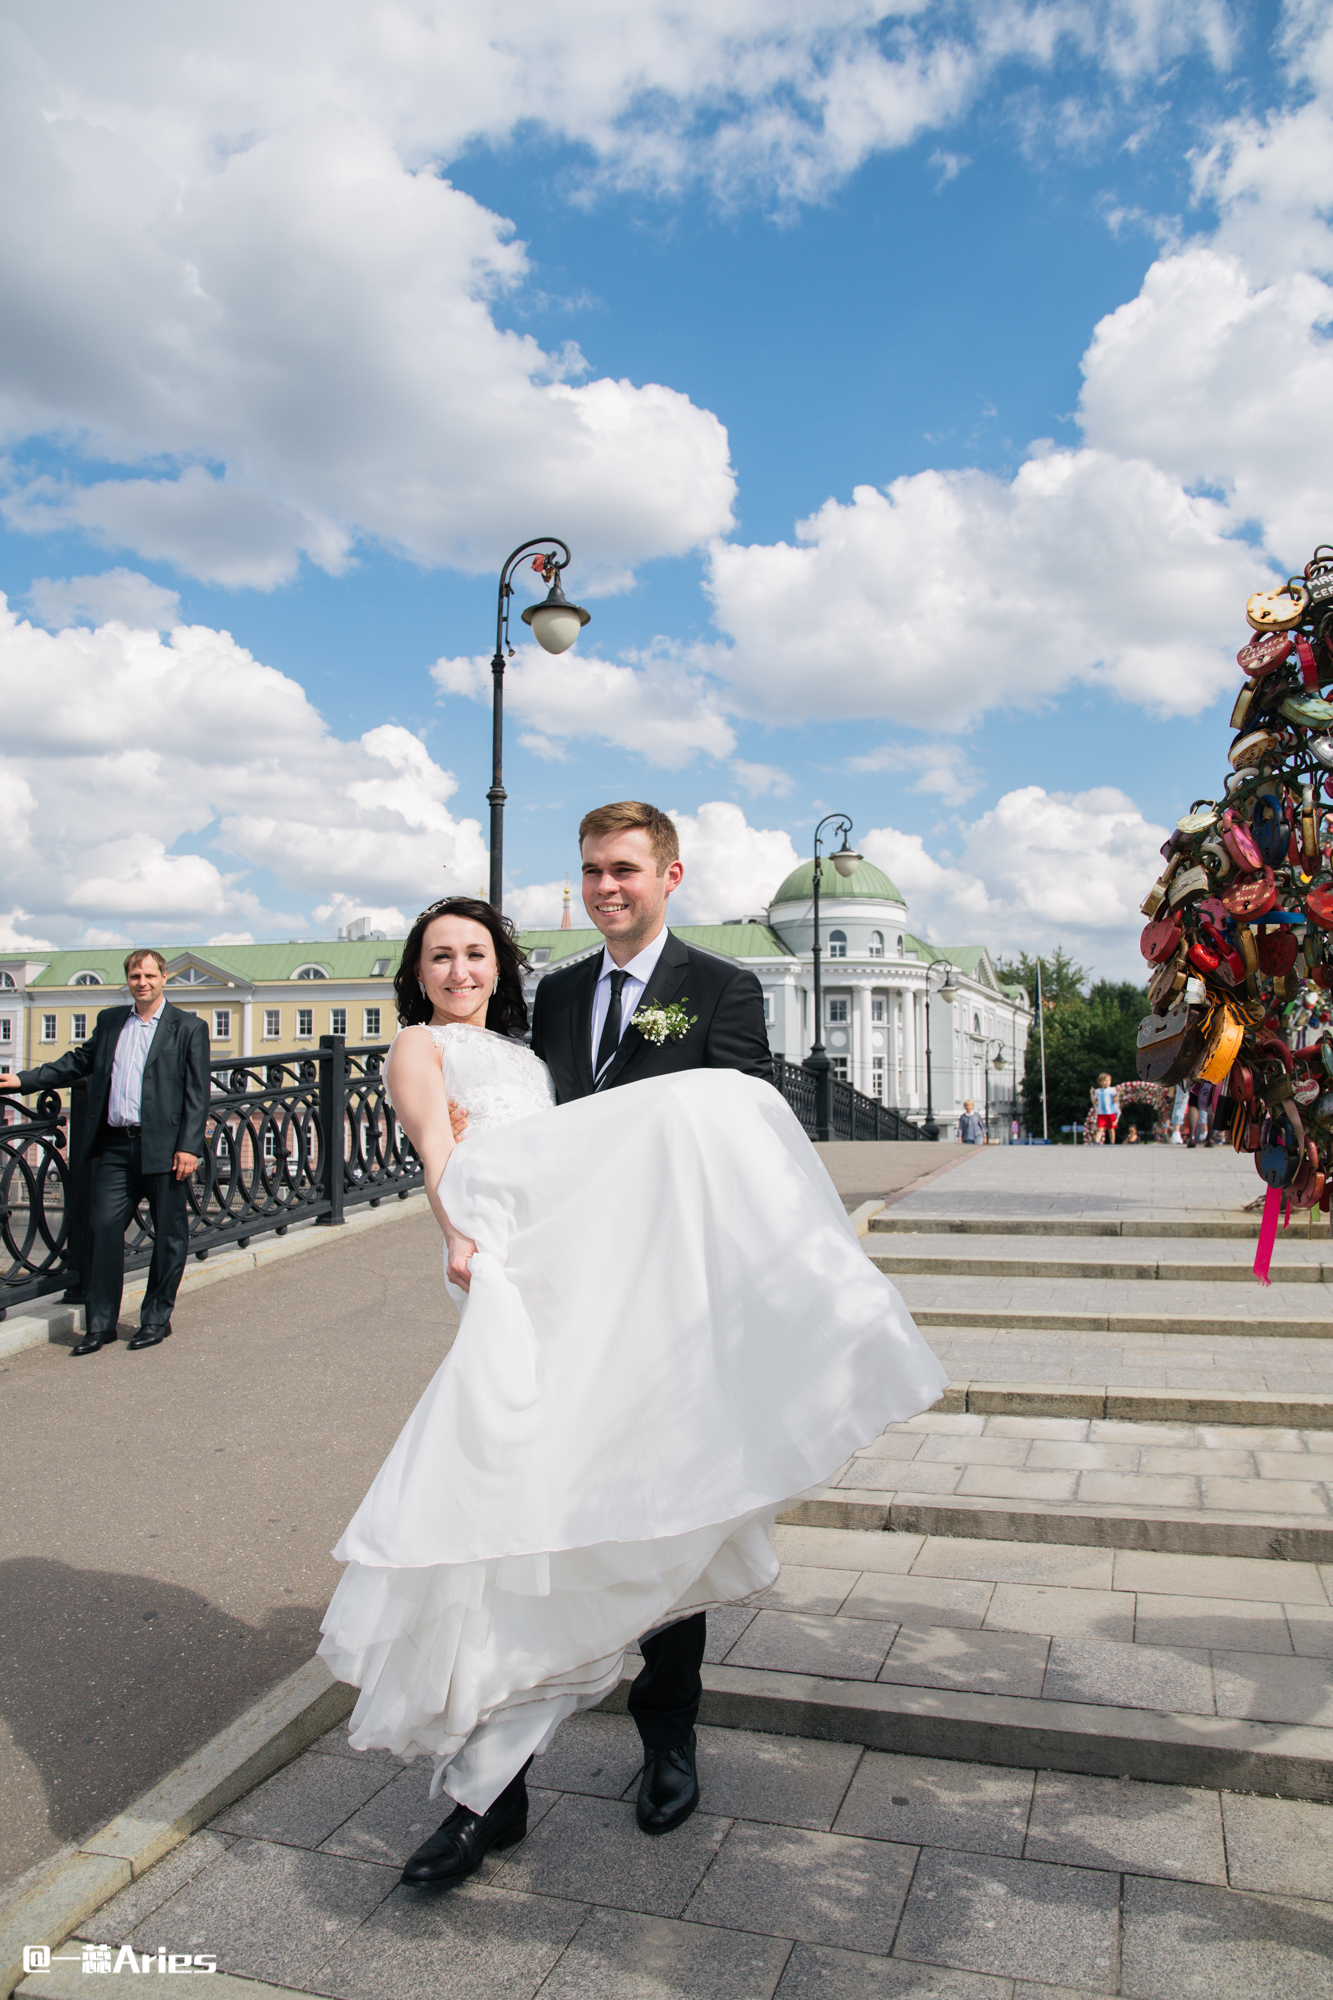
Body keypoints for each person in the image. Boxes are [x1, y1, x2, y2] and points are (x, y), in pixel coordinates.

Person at [318, 813, 946, 1899]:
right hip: (559, 1291)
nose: (606, 887)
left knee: (673, 1505)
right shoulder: (555, 1000)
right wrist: (457, 1214)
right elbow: (494, 1139)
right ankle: (493, 1788)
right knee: (526, 1509)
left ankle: (667, 1742)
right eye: (591, 872)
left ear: (668, 875)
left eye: (624, 870)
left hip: (671, 1301)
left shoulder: (724, 986)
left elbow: (748, 1126)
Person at [0, 950, 209, 1353]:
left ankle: (155, 1318)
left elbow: (197, 1094)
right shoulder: (111, 1021)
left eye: (149, 975)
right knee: (102, 1230)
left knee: (169, 1236)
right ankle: (101, 1325)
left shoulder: (188, 1027)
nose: (142, 982)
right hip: (115, 1144)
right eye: (135, 976)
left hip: (165, 1149)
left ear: (164, 977)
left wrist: (189, 1146)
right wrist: (23, 1080)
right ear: (128, 980)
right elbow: (78, 1061)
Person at [1091, 1073, 1120, 1144]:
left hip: (1110, 1113)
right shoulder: (1098, 1091)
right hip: (1101, 1113)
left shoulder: (1111, 1090)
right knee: (1100, 1129)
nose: (1107, 1082)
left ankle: (1112, 1142)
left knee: (1111, 1129)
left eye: (1108, 1081)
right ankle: (1096, 1142)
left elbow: (1114, 1100)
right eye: (1105, 1081)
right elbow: (1094, 1101)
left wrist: (1118, 1093)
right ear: (1100, 1082)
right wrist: (1091, 1093)